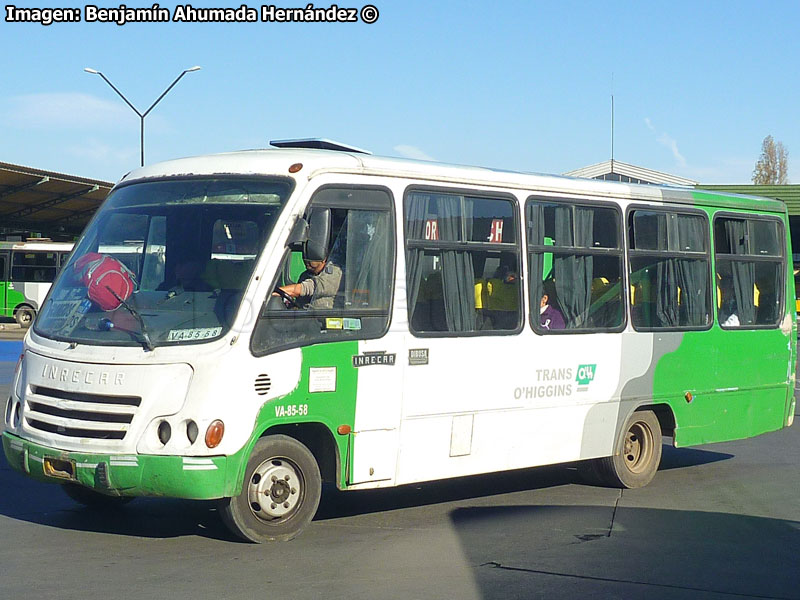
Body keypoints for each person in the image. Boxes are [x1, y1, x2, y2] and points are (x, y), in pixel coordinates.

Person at [274, 256, 342, 309]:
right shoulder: (305, 275)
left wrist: (274, 291)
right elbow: (299, 302)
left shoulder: (335, 272)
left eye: (310, 256)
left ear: (323, 258)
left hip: (323, 321)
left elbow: (308, 288)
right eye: (304, 255)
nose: (305, 259)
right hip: (306, 318)